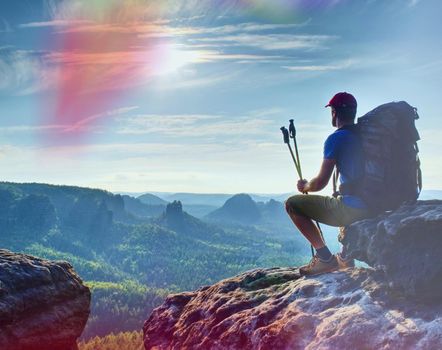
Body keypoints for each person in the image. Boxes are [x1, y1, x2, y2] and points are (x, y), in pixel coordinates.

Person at [285, 92, 372, 276]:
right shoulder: (367, 136)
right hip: (377, 203)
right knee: (342, 199)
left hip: (355, 209)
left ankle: (325, 259)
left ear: (334, 112)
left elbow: (320, 183)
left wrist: (306, 186)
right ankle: (346, 257)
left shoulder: (337, 138)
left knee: (292, 204)